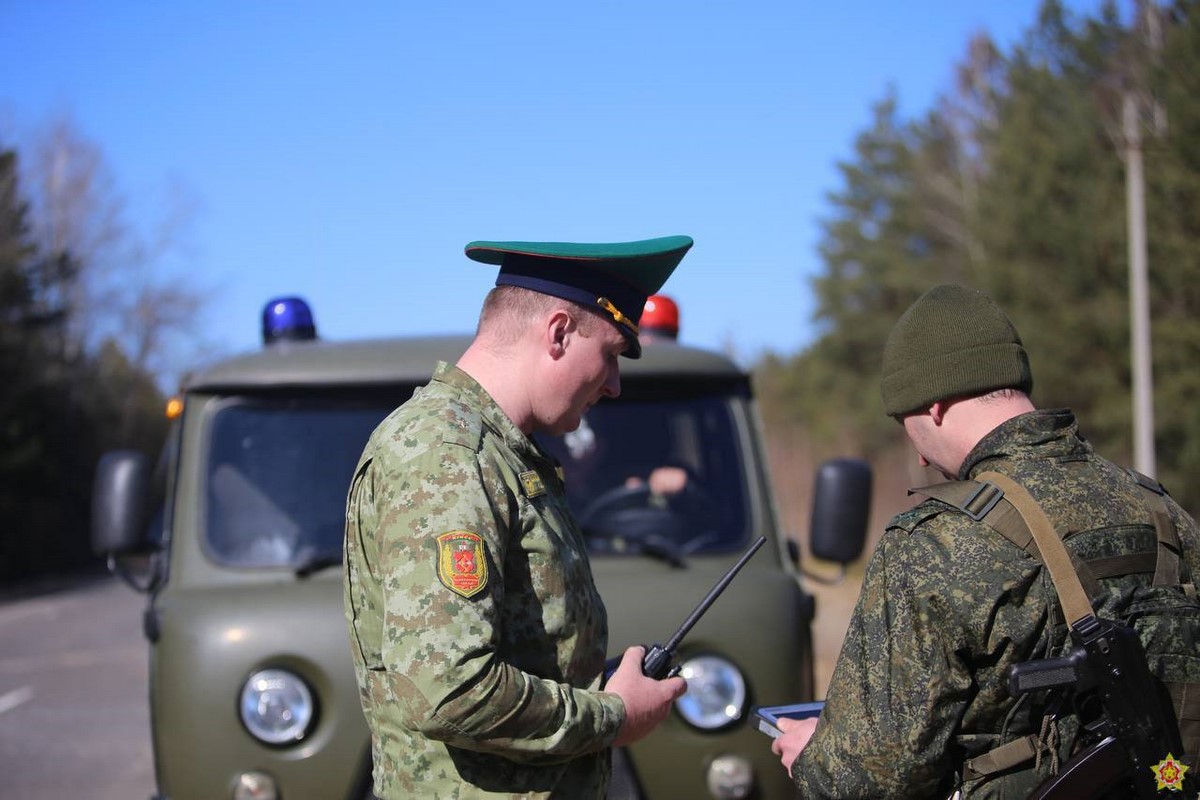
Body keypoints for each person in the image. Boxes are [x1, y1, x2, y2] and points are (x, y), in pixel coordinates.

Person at [771, 284, 1200, 798]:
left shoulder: (932, 543)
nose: (922, 458)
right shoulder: (1162, 510)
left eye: (903, 422)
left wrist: (814, 760)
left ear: (933, 406)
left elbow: (871, 781)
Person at [343, 235, 693, 799]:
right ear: (558, 333)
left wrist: (598, 684)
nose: (614, 385)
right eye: (610, 354)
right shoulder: (448, 452)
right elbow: (449, 690)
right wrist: (612, 715)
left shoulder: (501, 452)